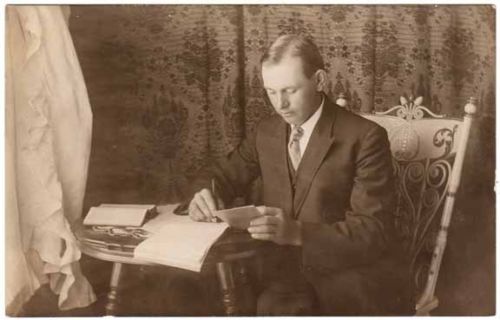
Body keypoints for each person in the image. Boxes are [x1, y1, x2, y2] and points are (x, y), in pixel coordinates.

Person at [188, 34, 412, 316]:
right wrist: (203, 194)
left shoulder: (365, 137)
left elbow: (373, 230)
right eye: (271, 91)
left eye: (289, 90)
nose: (279, 104)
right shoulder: (266, 133)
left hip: (345, 279)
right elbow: (219, 175)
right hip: (277, 273)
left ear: (319, 81)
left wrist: (298, 233)